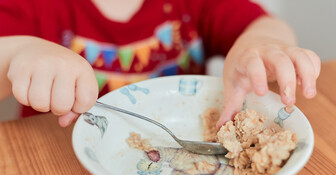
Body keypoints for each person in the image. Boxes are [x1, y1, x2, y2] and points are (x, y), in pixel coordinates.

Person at [0, 0, 320, 128]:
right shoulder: (33, 5)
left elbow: (265, 26)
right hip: (56, 165)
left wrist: (260, 44)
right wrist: (19, 53)